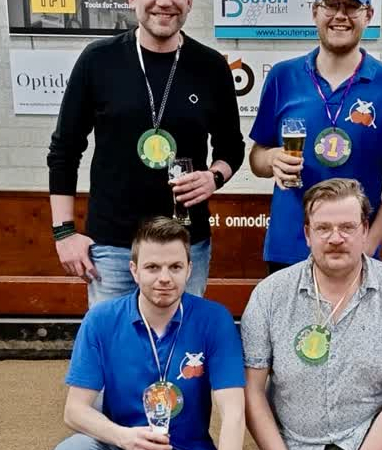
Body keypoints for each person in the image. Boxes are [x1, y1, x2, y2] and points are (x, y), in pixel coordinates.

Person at [47, 0, 244, 305]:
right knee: (116, 336)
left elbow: (231, 147)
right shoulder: (98, 60)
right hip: (113, 248)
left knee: (180, 335)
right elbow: (64, 150)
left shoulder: (211, 66)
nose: (164, 3)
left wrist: (214, 177)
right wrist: (64, 233)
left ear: (189, 3)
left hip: (185, 245)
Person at [240, 178, 382, 449]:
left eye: (347, 227)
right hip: (296, 440)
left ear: (365, 230)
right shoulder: (270, 294)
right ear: (307, 234)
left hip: (374, 434)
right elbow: (252, 390)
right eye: (323, 228)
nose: (335, 238)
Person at [248, 0, 382, 275]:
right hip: (288, 249)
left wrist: (368, 245)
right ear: (315, 11)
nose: (340, 16)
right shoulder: (282, 76)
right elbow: (257, 159)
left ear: (368, 15)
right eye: (331, 5)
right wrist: (271, 158)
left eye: (351, 6)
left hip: (354, 250)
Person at [54, 217, 245, 450]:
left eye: (175, 267)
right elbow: (74, 411)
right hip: (123, 444)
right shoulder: (101, 319)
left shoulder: (215, 319)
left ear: (189, 270)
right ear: (134, 271)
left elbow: (233, 413)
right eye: (152, 267)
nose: (164, 278)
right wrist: (122, 436)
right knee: (74, 447)